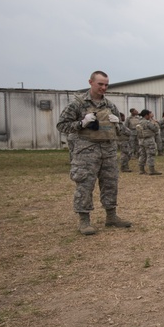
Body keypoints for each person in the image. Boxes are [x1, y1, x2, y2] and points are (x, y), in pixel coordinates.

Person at [55, 70, 132, 235]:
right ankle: (84, 221)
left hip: (108, 151)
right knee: (85, 185)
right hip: (86, 151)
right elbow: (62, 126)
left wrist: (118, 124)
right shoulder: (77, 104)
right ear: (91, 82)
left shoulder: (110, 106)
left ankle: (111, 216)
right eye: (100, 84)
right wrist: (81, 123)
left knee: (110, 183)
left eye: (106, 84)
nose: (103, 87)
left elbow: (123, 133)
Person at [135, 109, 162, 175]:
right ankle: (151, 170)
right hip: (148, 140)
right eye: (149, 114)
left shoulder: (139, 122)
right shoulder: (147, 122)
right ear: (146, 115)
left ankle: (141, 170)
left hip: (141, 140)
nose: (150, 115)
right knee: (151, 154)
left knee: (142, 154)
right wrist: (155, 122)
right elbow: (156, 129)